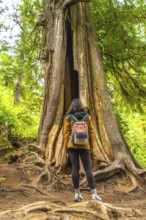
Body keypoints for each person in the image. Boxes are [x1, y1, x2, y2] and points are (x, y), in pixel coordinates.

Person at [63, 98, 102, 202]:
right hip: (85, 146)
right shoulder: (87, 117)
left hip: (72, 146)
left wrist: (66, 147)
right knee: (88, 170)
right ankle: (94, 195)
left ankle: (77, 195)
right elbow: (91, 132)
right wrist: (91, 146)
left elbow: (66, 133)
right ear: (81, 106)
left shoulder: (69, 118)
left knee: (75, 169)